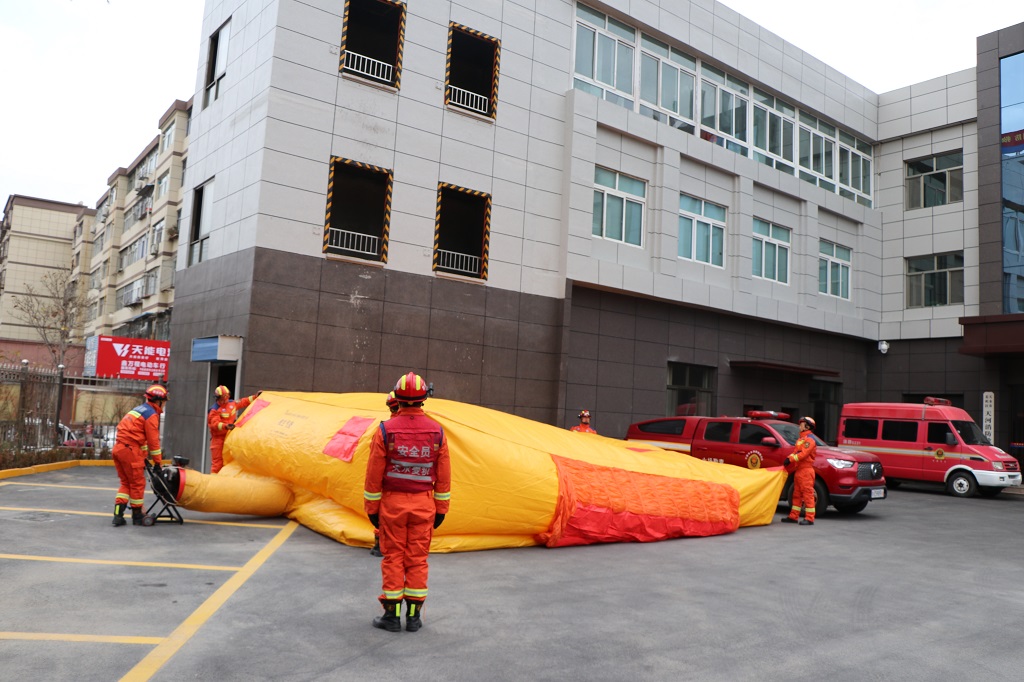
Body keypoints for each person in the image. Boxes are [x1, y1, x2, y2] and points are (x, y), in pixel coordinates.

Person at [364, 372, 451, 632]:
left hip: (393, 505)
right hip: (424, 505)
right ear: (424, 398)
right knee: (417, 559)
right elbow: (444, 476)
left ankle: (391, 616)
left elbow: (373, 475)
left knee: (393, 558)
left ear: (397, 399)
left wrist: (372, 510)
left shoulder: (385, 430)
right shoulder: (437, 431)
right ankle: (414, 617)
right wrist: (441, 510)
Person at [111, 384, 168, 527]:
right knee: (137, 483)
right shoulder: (151, 415)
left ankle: (118, 516)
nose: (164, 404)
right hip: (130, 450)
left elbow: (136, 436)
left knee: (125, 483)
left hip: (119, 448)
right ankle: (137, 516)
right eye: (164, 401)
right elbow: (153, 442)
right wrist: (158, 463)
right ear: (158, 401)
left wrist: (143, 456)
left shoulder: (138, 410)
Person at [369, 391, 401, 559]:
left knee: (384, 513)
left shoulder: (384, 429)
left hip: (388, 484)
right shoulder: (426, 427)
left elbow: (374, 461)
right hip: (413, 488)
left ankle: (380, 544)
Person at [207, 385, 260, 473]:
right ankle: (214, 480)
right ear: (218, 398)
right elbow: (214, 424)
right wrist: (226, 426)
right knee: (217, 464)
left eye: (227, 396)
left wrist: (256, 396)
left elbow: (243, 401)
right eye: (223, 397)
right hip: (218, 440)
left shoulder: (232, 404)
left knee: (231, 461)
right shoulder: (214, 410)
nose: (225, 399)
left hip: (230, 436)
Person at [781, 416, 818, 526]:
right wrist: (788, 458)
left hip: (806, 471)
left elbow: (803, 454)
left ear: (807, 426)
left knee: (807, 494)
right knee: (796, 494)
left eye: (801, 424)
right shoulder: (801, 439)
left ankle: (810, 518)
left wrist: (791, 459)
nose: (799, 426)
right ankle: (793, 516)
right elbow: (796, 452)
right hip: (799, 471)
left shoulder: (809, 440)